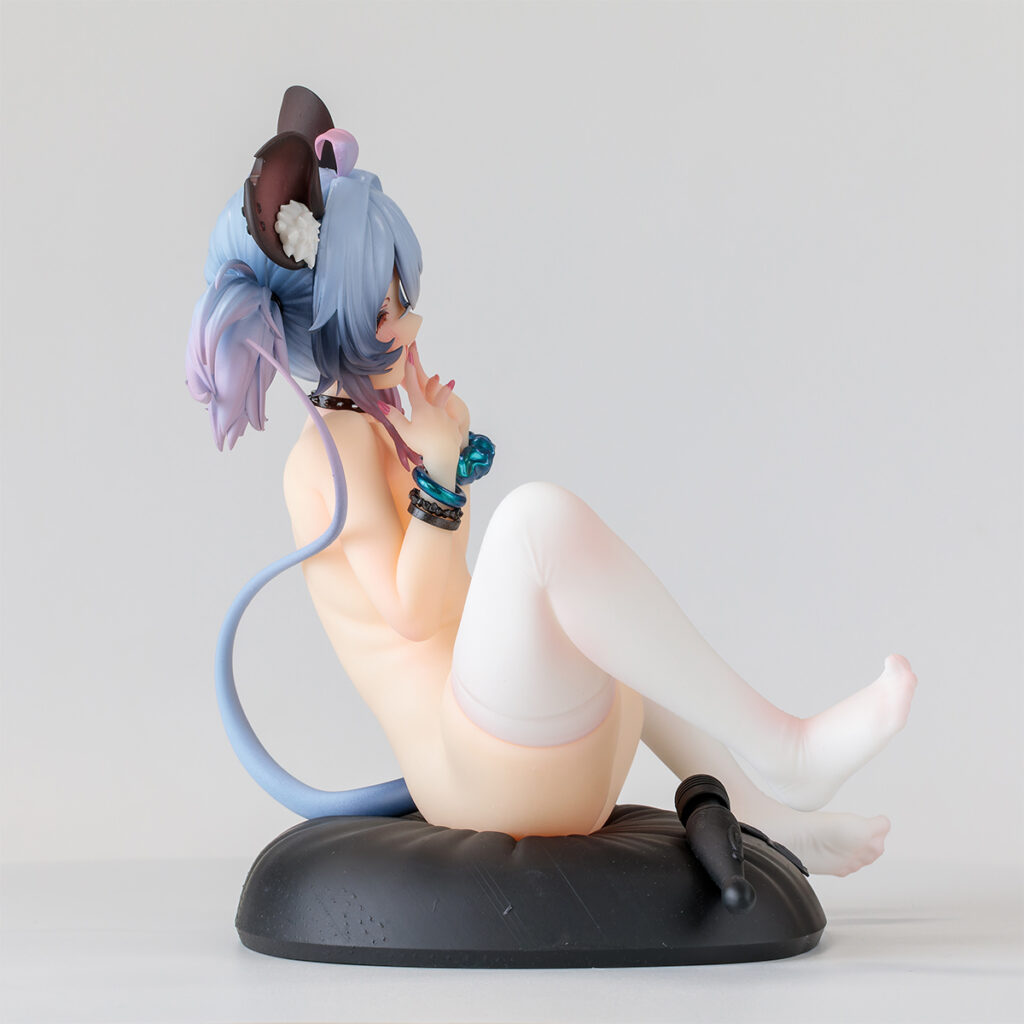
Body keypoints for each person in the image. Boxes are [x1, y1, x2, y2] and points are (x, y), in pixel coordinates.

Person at [187, 88, 916, 876]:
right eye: (385, 310)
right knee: (535, 524)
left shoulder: (382, 425)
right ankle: (786, 752)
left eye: (402, 298)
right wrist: (440, 471)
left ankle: (764, 808)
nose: (411, 324)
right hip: (478, 778)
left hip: (532, 743)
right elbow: (414, 612)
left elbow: (451, 591)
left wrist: (440, 454)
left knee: (606, 608)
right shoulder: (325, 456)